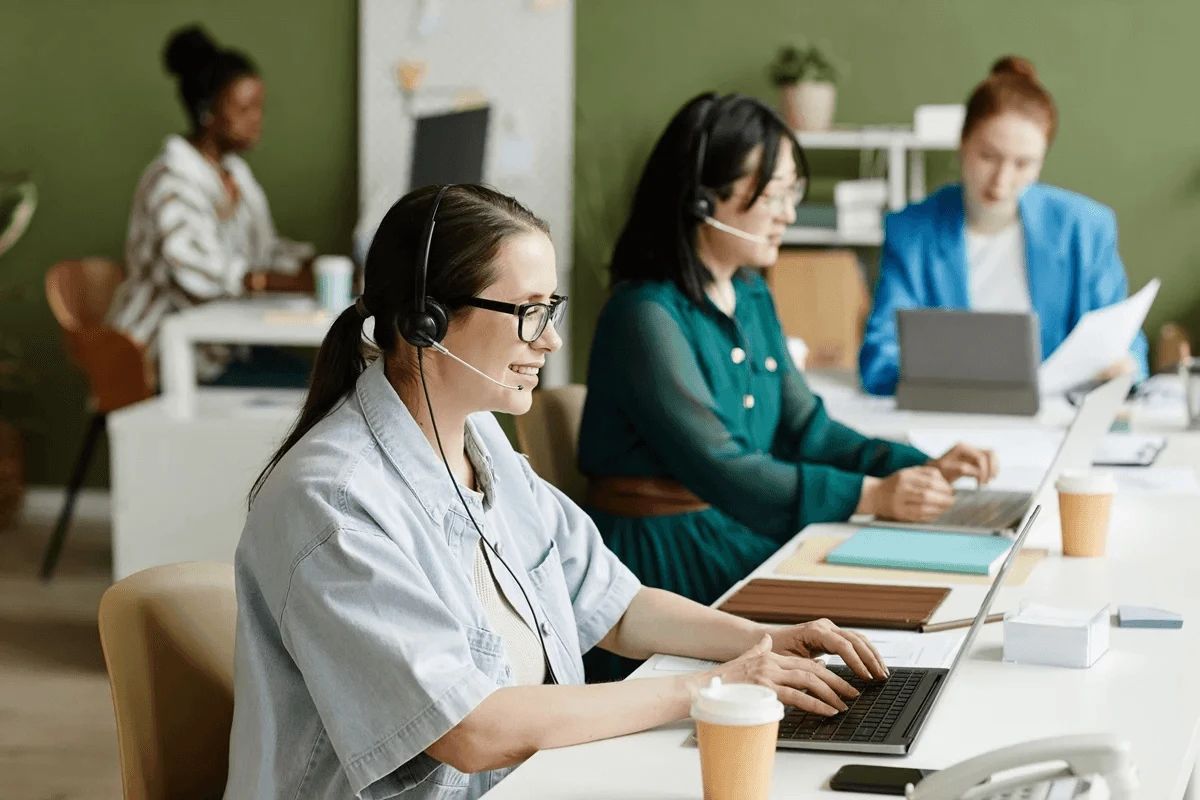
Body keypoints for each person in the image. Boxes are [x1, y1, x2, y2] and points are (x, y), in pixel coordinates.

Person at [224, 184, 893, 800]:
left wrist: (765, 643)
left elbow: (618, 606)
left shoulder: (485, 448)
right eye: (528, 313)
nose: (551, 339)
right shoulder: (333, 501)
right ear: (427, 323)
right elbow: (469, 729)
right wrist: (712, 686)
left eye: (552, 308)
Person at [577, 93, 994, 679]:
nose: (787, 215)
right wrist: (873, 496)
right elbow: (722, 466)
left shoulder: (750, 293)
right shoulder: (644, 315)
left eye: (790, 196)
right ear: (702, 199)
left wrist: (922, 466)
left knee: (891, 612)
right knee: (860, 627)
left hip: (731, 529)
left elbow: (806, 428)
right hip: (664, 558)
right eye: (771, 195)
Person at [859, 56, 1149, 396]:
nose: (1002, 179)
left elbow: (1126, 341)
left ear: (1041, 164)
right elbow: (879, 358)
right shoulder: (911, 232)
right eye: (988, 156)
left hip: (1054, 419)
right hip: (950, 419)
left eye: (1023, 163)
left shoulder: (1084, 228)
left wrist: (1124, 367)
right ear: (962, 144)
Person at [107, 25, 315, 387]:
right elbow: (198, 273)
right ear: (208, 112)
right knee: (309, 392)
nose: (257, 119)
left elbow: (262, 249)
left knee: (323, 380)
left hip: (220, 346)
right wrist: (280, 280)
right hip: (164, 350)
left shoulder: (235, 174)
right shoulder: (171, 180)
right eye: (245, 108)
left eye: (260, 107)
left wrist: (310, 264)